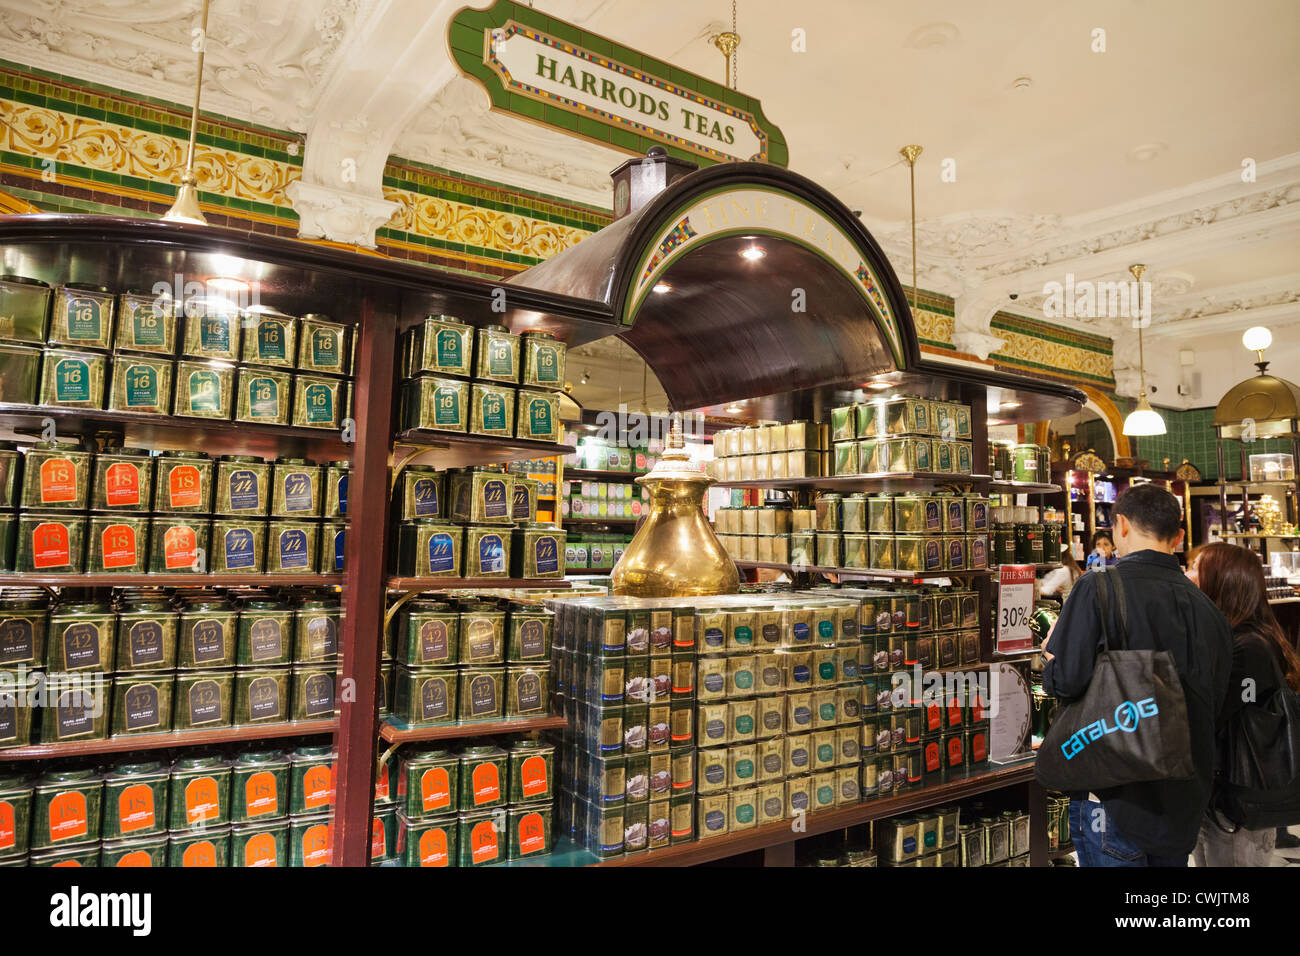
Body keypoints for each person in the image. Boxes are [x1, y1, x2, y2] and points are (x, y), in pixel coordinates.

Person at [1042, 484, 1232, 867]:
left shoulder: (1098, 587)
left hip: (1115, 793)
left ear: (1122, 525)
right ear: (1178, 537)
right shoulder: (1208, 608)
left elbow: (1066, 681)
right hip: (1183, 798)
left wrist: (1052, 657)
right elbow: (1220, 703)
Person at [1191, 542, 1300, 865]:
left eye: (1198, 568)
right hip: (1222, 797)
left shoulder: (1248, 647)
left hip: (1236, 802)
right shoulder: (1239, 638)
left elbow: (1212, 714)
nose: (1188, 574)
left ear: (1221, 581)